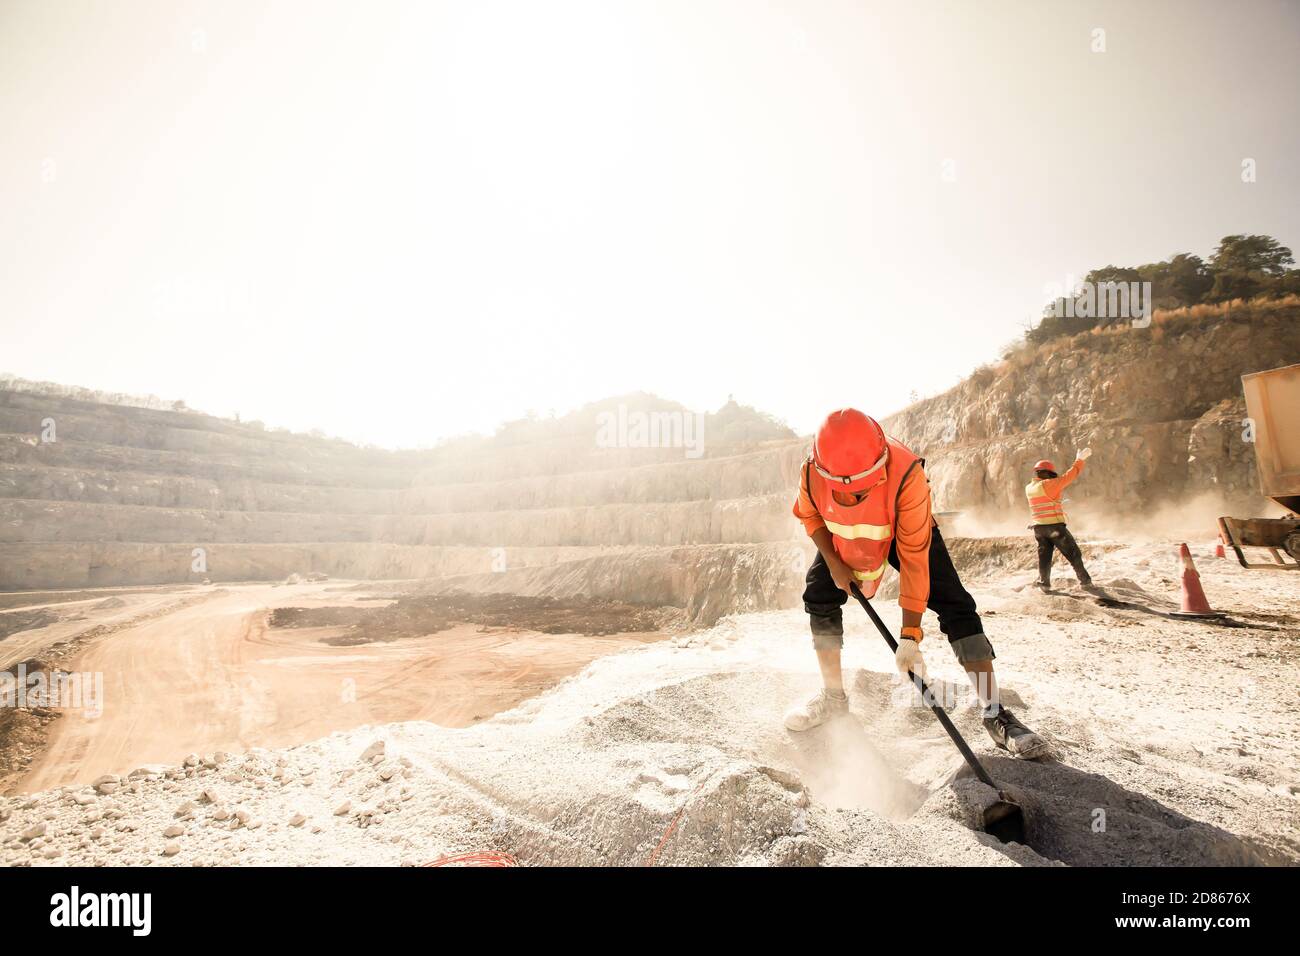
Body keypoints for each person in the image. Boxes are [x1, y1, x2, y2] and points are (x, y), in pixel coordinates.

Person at [784, 408, 1048, 759]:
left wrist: (910, 636)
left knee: (956, 606)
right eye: (845, 493)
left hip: (903, 532)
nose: (853, 499)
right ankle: (834, 700)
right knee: (818, 594)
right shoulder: (812, 469)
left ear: (879, 467)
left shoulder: (906, 476)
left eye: (861, 492)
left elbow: (913, 559)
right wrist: (834, 564)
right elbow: (810, 514)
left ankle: (996, 714)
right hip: (844, 537)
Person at [1026, 449, 1095, 591]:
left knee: (1044, 557)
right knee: (1074, 553)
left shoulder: (1030, 487)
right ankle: (1085, 582)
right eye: (1051, 475)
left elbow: (1045, 502)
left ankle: (1044, 584)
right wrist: (1079, 460)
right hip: (1054, 528)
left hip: (1039, 528)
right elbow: (1069, 476)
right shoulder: (1048, 484)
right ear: (1046, 473)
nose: (1052, 478)